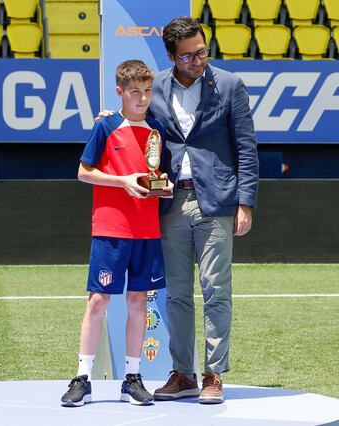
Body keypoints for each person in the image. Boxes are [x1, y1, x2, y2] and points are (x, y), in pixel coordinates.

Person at [97, 16, 259, 405]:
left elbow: (247, 148)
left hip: (217, 200)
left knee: (216, 290)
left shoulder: (231, 85)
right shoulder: (156, 86)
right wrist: (109, 119)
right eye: (189, 56)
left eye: (203, 51)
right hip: (168, 202)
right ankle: (183, 373)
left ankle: (214, 374)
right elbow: (133, 115)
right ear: (172, 56)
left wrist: (246, 202)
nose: (199, 59)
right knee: (176, 296)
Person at [61, 59, 173, 407]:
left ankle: (132, 378)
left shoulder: (157, 131)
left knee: (139, 302)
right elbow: (83, 172)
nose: (142, 99)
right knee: (98, 302)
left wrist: (163, 187)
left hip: (147, 231)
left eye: (147, 91)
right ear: (120, 92)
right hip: (110, 229)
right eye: (135, 92)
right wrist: (122, 181)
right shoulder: (106, 127)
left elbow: (162, 178)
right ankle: (82, 378)